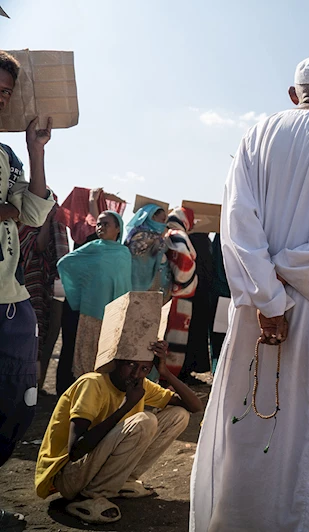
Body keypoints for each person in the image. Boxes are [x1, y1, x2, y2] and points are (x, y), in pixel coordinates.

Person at [191, 57, 309, 532]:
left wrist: (268, 294)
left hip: (259, 307)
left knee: (252, 420)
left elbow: (238, 223)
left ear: (293, 96)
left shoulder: (256, 136)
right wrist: (287, 275)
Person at [35, 340, 202, 525]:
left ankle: (123, 481)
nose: (136, 374)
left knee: (179, 415)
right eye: (131, 365)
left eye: (144, 369)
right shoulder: (92, 383)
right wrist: (127, 406)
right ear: (116, 361)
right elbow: (75, 450)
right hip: (68, 475)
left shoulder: (141, 385)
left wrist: (165, 373)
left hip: (93, 466)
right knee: (144, 421)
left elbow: (195, 406)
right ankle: (93, 495)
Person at [0, 50, 56, 531]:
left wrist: (35, 151)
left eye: (5, 93)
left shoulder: (8, 157)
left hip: (11, 299)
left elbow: (33, 213)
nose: (0, 99)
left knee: (15, 401)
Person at [57, 211, 133, 384]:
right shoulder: (92, 248)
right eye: (99, 224)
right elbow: (65, 263)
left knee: (108, 357)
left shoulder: (124, 253)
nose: (100, 227)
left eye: (106, 224)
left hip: (115, 315)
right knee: (87, 357)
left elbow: (124, 284)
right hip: (91, 311)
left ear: (118, 228)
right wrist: (82, 288)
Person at [17, 195, 69, 392]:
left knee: (42, 335)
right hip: (28, 283)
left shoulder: (52, 218)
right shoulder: (26, 218)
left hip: (46, 284)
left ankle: (35, 385)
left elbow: (57, 252)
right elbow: (39, 245)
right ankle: (30, 385)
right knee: (34, 336)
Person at [161, 207, 199, 379]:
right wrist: (182, 285)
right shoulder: (179, 236)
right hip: (180, 296)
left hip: (167, 295)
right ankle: (168, 378)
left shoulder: (167, 234)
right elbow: (184, 268)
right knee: (174, 341)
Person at [184, 230, 213, 381]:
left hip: (198, 293)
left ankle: (190, 369)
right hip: (195, 293)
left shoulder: (199, 241)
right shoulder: (195, 241)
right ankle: (186, 370)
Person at [125, 203, 170, 297]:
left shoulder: (133, 234)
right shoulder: (152, 238)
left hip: (128, 281)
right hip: (144, 283)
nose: (164, 224)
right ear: (152, 217)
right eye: (162, 220)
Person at [208, 234, 229, 373]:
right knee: (222, 337)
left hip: (220, 292)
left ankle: (219, 372)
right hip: (224, 293)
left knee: (220, 338)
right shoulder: (224, 237)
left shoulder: (219, 237)